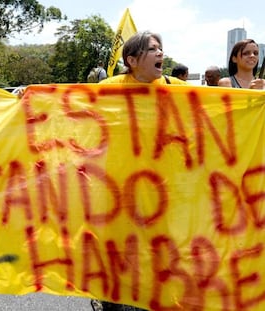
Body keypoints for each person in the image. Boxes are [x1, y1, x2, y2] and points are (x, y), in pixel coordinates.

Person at [94, 30, 187, 311]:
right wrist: (29, 96)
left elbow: (222, 106)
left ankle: (154, 298)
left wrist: (252, 98)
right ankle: (112, 297)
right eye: (153, 49)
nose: (161, 53)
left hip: (162, 186)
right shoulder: (111, 87)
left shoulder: (173, 86)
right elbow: (67, 104)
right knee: (120, 249)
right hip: (119, 185)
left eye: (161, 48)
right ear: (132, 60)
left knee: (159, 247)